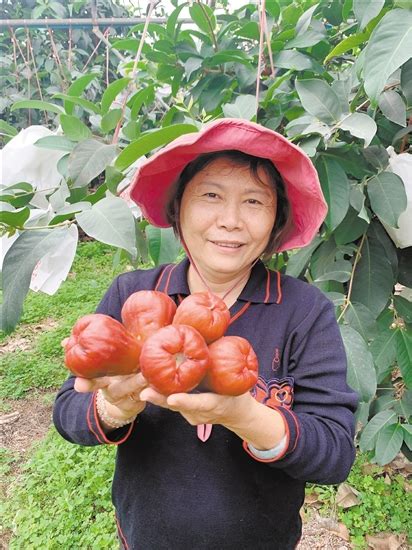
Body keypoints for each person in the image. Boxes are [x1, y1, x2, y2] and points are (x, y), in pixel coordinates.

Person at [53, 118, 359, 550]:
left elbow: (334, 453)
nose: (231, 220)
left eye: (254, 201)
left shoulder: (305, 313)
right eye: (211, 195)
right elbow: (69, 412)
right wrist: (114, 406)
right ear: (179, 208)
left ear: (276, 221)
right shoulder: (133, 295)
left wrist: (243, 416)